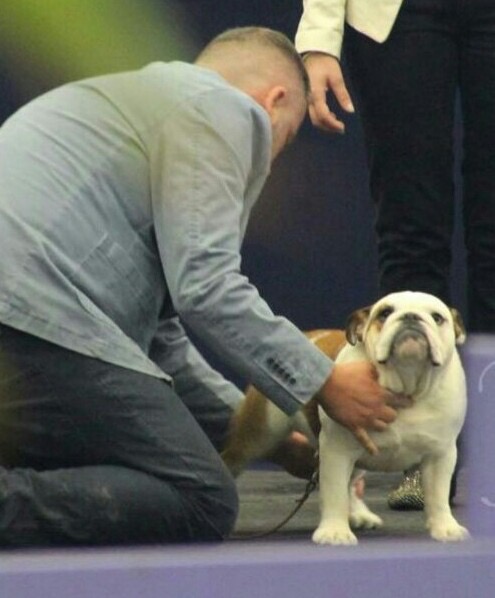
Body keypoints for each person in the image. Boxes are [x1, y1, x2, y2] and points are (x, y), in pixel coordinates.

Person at [0, 27, 399, 547]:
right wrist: (323, 382)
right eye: (288, 136)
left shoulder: (137, 106)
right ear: (273, 100)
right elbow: (207, 288)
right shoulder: (224, 111)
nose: (273, 158)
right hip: (29, 322)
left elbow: (160, 342)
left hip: (26, 321)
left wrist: (271, 439)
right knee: (201, 498)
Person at [295, 0, 495, 507]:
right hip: (398, 15)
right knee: (411, 226)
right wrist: (319, 37)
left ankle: (492, 457)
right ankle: (422, 462)